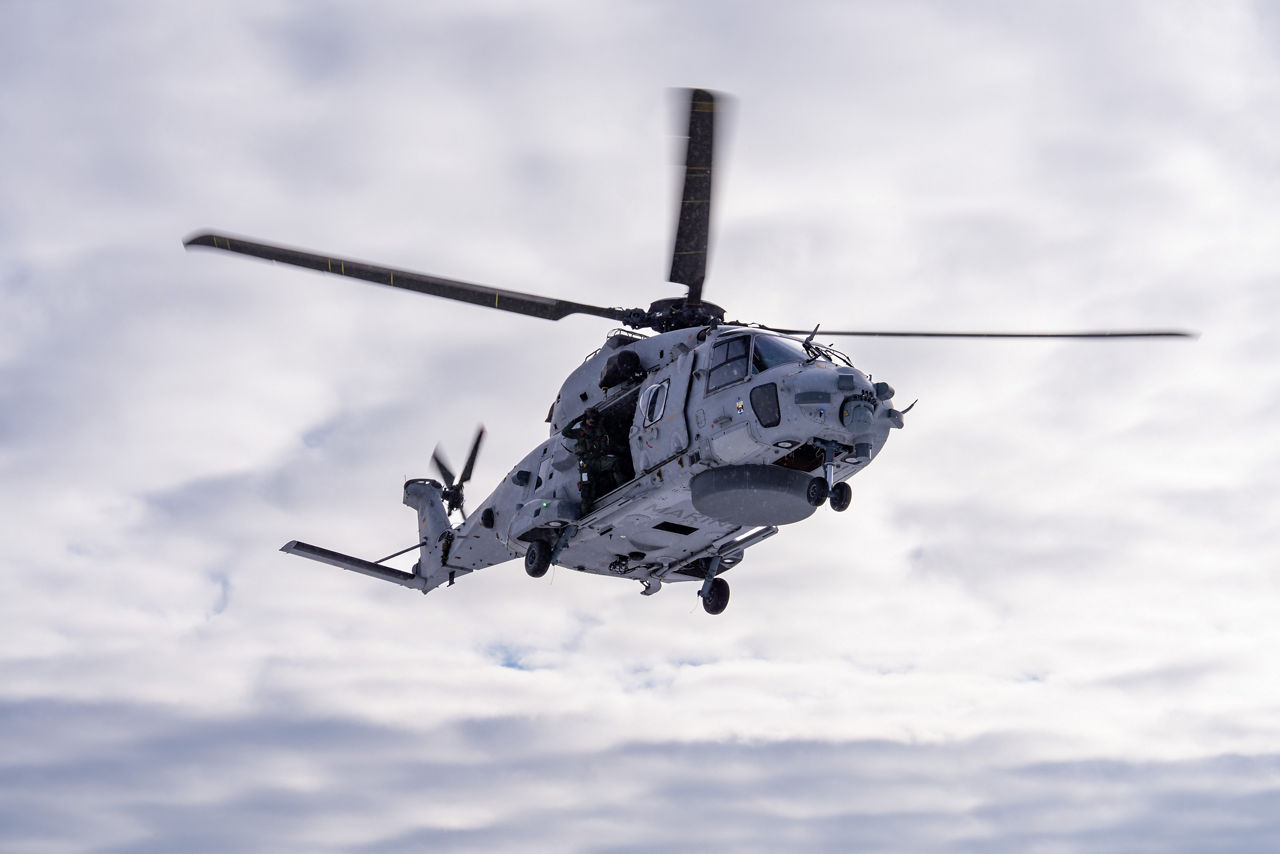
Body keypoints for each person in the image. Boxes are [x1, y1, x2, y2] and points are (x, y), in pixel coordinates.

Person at [561, 407, 620, 511]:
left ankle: (621, 487)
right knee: (586, 486)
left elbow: (607, 445)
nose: (591, 420)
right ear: (585, 419)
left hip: (598, 460)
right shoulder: (580, 432)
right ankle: (585, 509)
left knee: (615, 463)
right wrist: (574, 420)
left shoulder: (600, 431)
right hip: (585, 464)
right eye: (589, 418)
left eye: (593, 418)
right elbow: (565, 432)